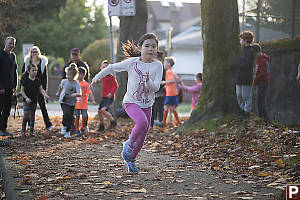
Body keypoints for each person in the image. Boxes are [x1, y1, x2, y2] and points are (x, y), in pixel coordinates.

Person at [91, 33, 163, 174]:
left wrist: (148, 82)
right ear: (140, 48)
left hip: (147, 103)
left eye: (153, 46)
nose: (150, 49)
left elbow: (156, 87)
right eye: (147, 46)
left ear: (156, 49)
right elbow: (112, 68)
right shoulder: (132, 63)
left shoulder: (158, 65)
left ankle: (131, 159)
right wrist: (97, 76)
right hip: (131, 102)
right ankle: (128, 144)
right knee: (142, 124)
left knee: (143, 134)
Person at [22, 46, 54, 130]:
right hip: (29, 87)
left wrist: (44, 88)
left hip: (39, 86)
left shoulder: (42, 62)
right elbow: (23, 74)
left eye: (36, 52)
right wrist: (24, 86)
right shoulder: (27, 62)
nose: (35, 53)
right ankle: (30, 125)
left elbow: (45, 77)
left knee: (42, 106)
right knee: (30, 107)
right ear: (31, 53)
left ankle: (48, 124)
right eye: (33, 52)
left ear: (38, 53)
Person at [20, 64, 50, 137]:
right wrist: (26, 98)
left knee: (32, 117)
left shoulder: (37, 80)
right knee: (26, 116)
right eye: (33, 70)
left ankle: (31, 132)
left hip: (34, 101)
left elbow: (41, 90)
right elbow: (22, 91)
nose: (34, 72)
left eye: (36, 70)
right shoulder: (25, 80)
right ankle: (23, 131)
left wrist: (45, 95)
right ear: (28, 71)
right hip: (26, 101)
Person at [234, 30, 255, 120]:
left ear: (246, 40)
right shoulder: (242, 51)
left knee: (246, 96)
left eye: (241, 40)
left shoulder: (250, 51)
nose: (240, 42)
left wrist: (237, 65)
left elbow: (247, 64)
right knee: (239, 95)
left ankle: (247, 112)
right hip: (239, 77)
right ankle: (242, 110)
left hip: (246, 78)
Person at [56, 63, 82, 138]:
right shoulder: (64, 81)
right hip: (63, 100)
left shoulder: (76, 83)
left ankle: (67, 132)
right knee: (67, 114)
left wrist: (75, 94)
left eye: (69, 75)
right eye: (66, 74)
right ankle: (64, 126)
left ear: (74, 75)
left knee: (70, 117)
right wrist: (58, 93)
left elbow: (80, 93)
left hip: (72, 102)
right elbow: (60, 87)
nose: (67, 76)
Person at [0, 36, 18, 137]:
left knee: (7, 109)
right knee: (0, 108)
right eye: (9, 43)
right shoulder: (0, 55)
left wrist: (15, 85)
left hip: (10, 87)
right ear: (5, 43)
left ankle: (4, 128)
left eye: (13, 44)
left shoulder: (13, 56)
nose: (11, 45)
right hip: (1, 87)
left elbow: (14, 72)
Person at [97, 60, 118, 132]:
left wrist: (111, 93)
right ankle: (101, 125)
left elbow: (116, 86)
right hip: (103, 96)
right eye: (103, 67)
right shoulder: (102, 76)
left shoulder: (111, 77)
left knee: (103, 110)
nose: (105, 69)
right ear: (101, 68)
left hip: (110, 97)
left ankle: (113, 122)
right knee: (99, 111)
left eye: (107, 67)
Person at [74, 67, 96, 136]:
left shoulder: (86, 84)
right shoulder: (75, 83)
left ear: (84, 75)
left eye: (81, 74)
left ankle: (83, 127)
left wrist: (93, 100)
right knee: (76, 116)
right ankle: (77, 130)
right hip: (76, 103)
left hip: (84, 104)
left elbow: (89, 92)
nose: (79, 75)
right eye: (78, 74)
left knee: (85, 116)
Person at [161, 57, 181, 127]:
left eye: (165, 63)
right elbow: (175, 80)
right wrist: (167, 85)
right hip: (173, 92)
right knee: (172, 108)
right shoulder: (171, 71)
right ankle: (178, 122)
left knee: (166, 106)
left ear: (169, 64)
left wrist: (165, 82)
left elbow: (172, 80)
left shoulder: (169, 72)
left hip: (170, 93)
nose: (163, 64)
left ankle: (163, 122)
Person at [252, 43, 270, 120]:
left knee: (260, 101)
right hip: (260, 83)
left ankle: (263, 118)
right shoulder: (258, 60)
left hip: (263, 83)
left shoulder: (263, 61)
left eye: (254, 54)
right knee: (260, 101)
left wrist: (254, 81)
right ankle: (263, 118)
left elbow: (263, 74)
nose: (253, 56)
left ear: (257, 52)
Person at [151, 51, 165, 127]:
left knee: (159, 108)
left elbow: (164, 80)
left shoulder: (162, 67)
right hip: (153, 91)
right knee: (153, 109)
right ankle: (151, 123)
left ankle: (160, 122)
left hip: (160, 92)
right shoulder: (153, 66)